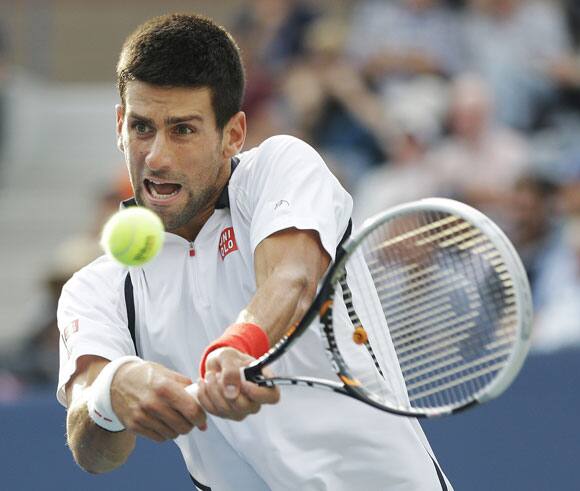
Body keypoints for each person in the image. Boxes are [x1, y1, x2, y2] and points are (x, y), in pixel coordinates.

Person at [57, 14, 452, 491]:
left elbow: (293, 278)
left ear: (234, 134)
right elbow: (90, 445)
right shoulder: (97, 288)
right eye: (142, 128)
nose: (157, 156)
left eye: (183, 130)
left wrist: (239, 346)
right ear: (120, 125)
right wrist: (111, 393)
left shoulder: (281, 167)